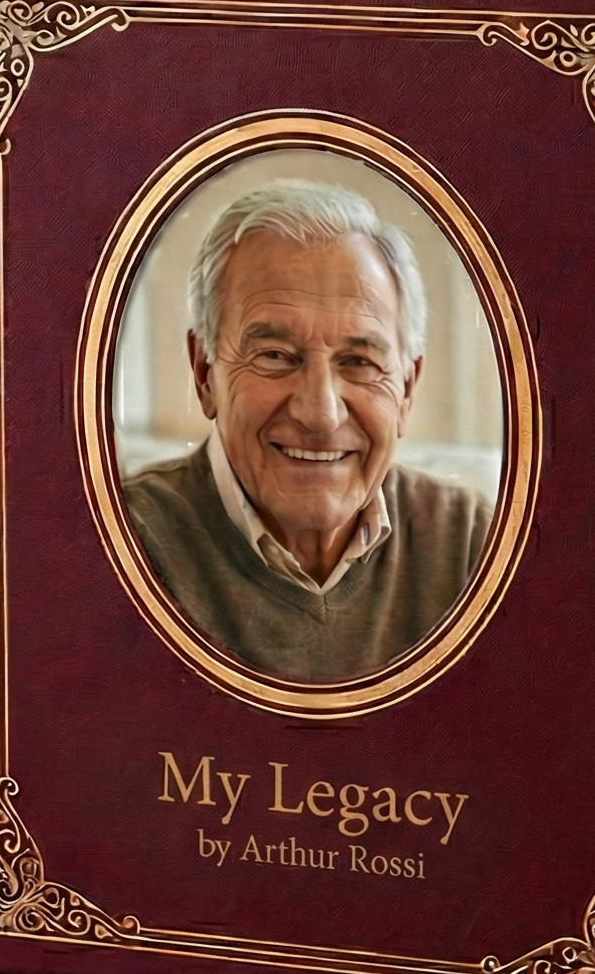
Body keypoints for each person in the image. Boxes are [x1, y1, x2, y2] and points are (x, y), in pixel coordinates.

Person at [123, 180, 492, 682]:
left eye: (359, 362)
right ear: (204, 371)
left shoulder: (475, 545)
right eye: (275, 356)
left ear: (406, 389)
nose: (321, 414)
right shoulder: (120, 543)